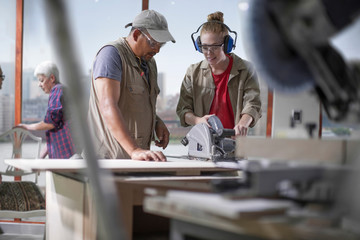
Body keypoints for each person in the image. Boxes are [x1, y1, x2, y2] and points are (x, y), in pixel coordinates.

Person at [87, 10, 175, 161]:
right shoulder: (110, 55)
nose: (157, 50)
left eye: (162, 45)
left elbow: (136, 102)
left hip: (136, 161)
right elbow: (108, 106)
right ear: (136, 35)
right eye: (153, 43)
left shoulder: (150, 62)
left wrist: (156, 121)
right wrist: (134, 150)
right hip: (107, 161)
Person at [176, 11, 262, 136]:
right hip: (203, 145)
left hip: (235, 144)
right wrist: (198, 120)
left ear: (227, 45)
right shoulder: (193, 72)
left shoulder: (246, 69)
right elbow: (183, 110)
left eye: (215, 47)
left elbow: (252, 103)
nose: (209, 53)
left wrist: (243, 123)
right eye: (204, 47)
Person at [15, 61, 76, 159]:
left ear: (52, 78)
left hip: (65, 157)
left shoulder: (57, 90)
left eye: (41, 80)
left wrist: (26, 127)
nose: (39, 84)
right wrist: (40, 158)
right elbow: (53, 130)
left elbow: (49, 124)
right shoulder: (62, 90)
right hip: (68, 155)